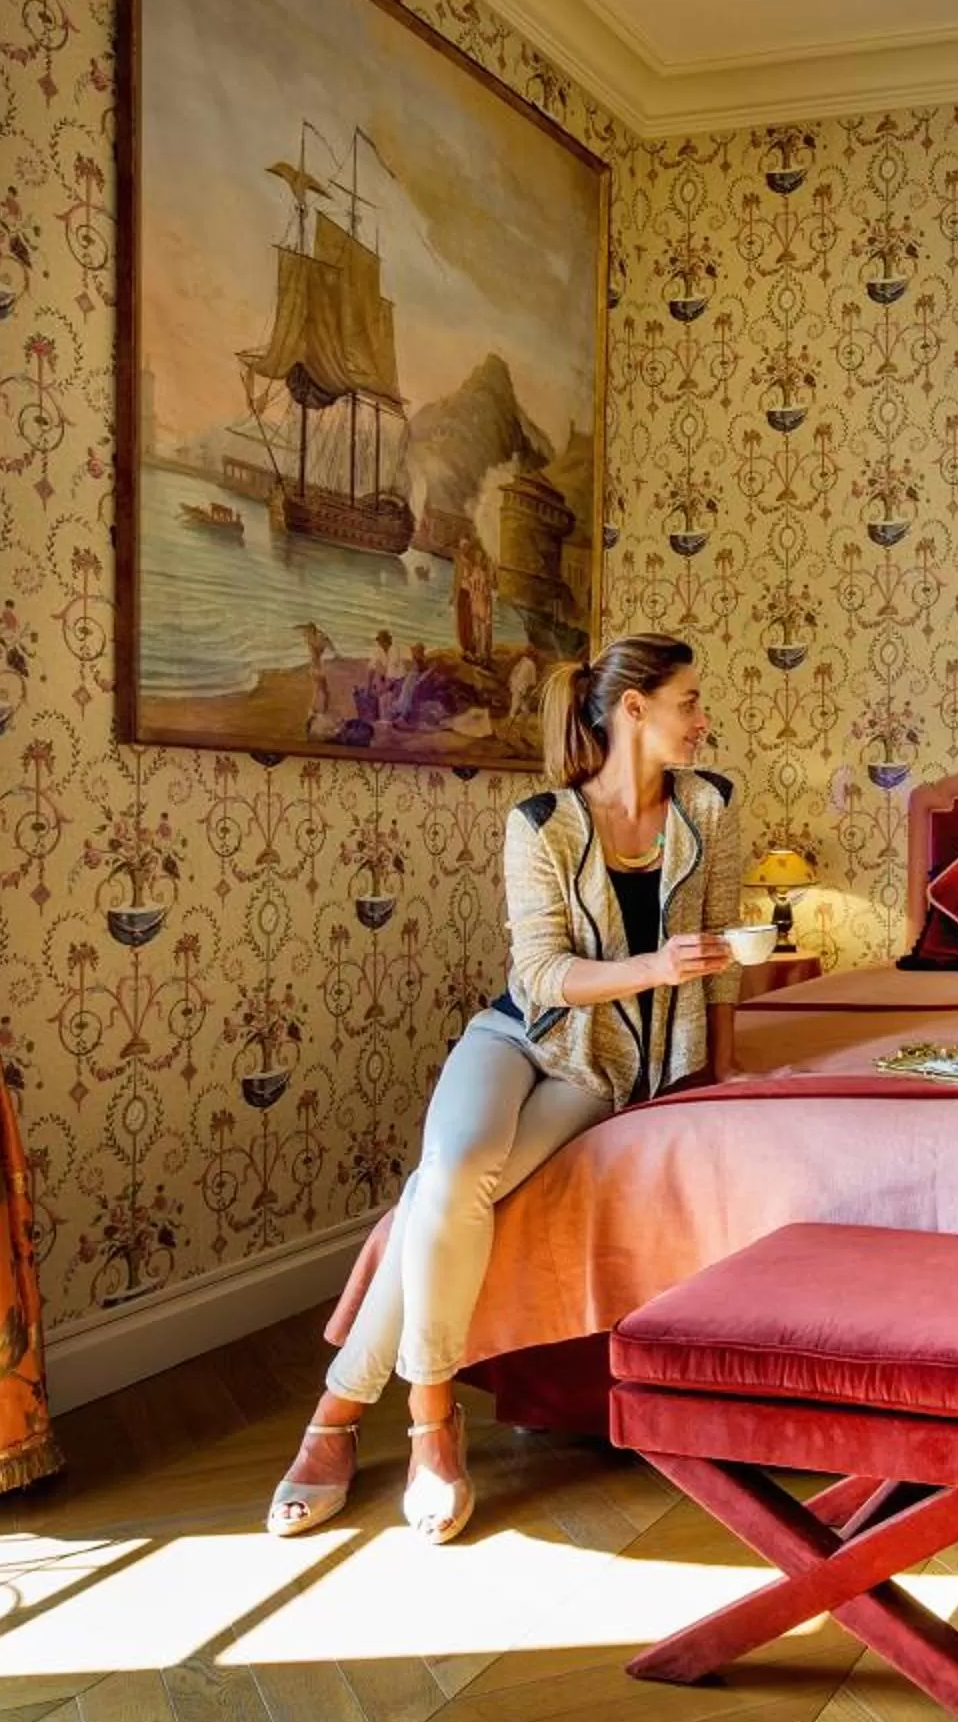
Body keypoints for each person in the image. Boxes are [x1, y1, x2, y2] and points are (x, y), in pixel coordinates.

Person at [267, 634, 745, 1544]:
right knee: (450, 1177)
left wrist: (716, 1073)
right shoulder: (541, 823)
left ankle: (339, 1415)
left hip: (600, 1066)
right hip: (515, 1036)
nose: (702, 719)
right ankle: (429, 1417)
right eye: (689, 701)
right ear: (633, 709)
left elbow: (721, 955)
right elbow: (539, 975)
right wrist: (655, 966)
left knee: (437, 1195)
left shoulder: (708, 807)